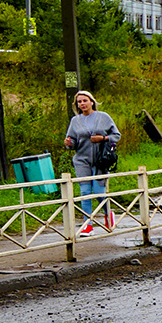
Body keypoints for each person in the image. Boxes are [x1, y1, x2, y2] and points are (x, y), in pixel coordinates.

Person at [62, 89, 121, 235]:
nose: (82, 104)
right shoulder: (75, 121)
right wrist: (69, 143)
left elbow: (116, 135)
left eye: (85, 101)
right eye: (79, 102)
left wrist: (102, 138)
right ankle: (87, 224)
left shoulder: (103, 117)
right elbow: (72, 141)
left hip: (101, 160)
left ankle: (108, 214)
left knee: (99, 192)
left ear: (92, 102)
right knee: (85, 192)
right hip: (82, 160)